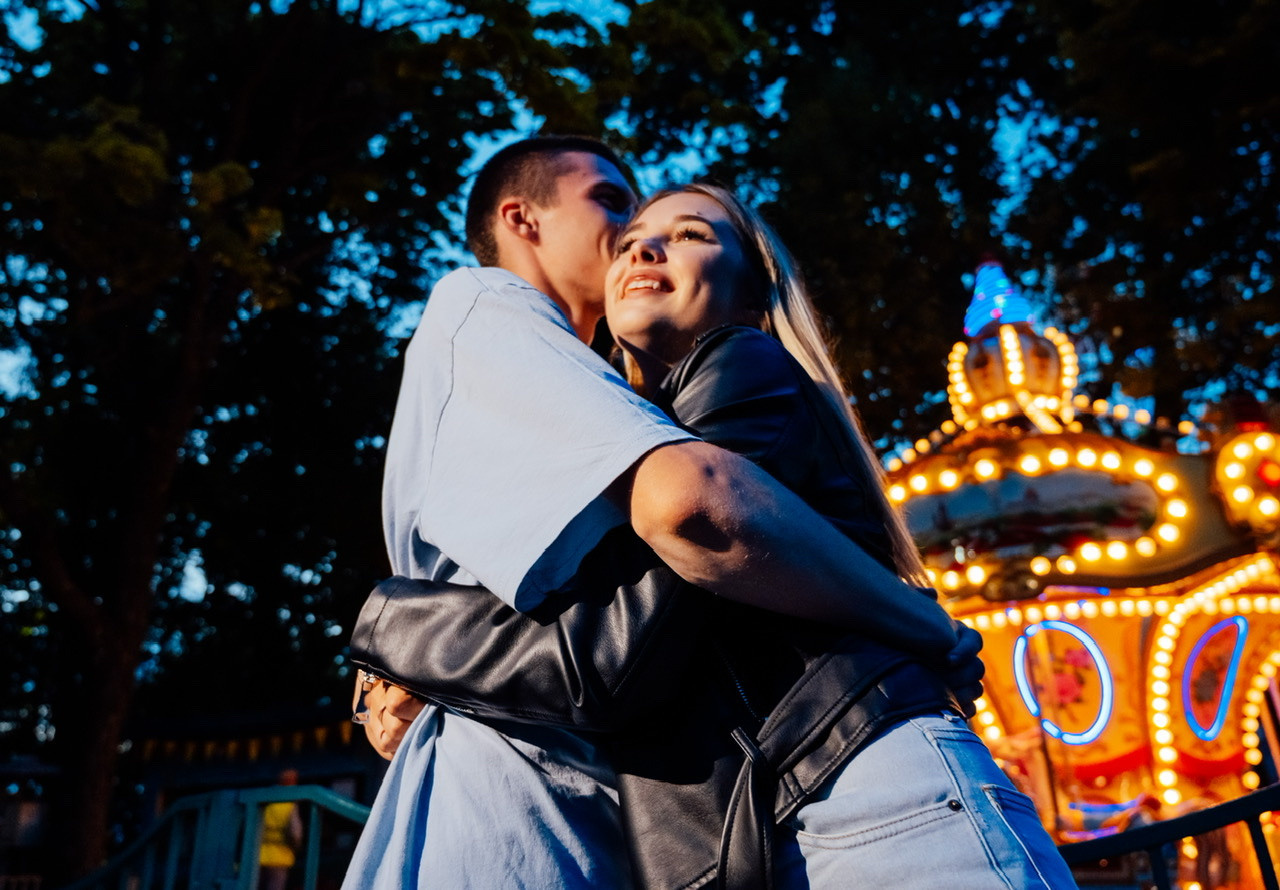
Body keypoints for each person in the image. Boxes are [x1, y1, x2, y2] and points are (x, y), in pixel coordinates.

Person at [352, 183, 1078, 888]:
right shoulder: (634, 448)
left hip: (873, 792)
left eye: (689, 235)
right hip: (790, 817)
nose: (643, 251)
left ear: (755, 294)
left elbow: (613, 642)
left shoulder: (740, 364)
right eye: (630, 243)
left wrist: (390, 623)